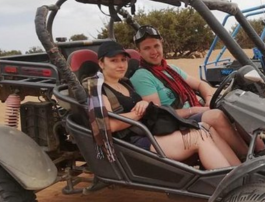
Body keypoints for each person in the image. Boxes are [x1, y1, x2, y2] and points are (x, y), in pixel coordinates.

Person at [90, 40, 240, 170]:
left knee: (207, 128)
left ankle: (241, 173)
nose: (121, 65)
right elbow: (110, 125)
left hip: (149, 130)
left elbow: (141, 105)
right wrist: (138, 113)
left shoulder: (125, 83)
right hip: (133, 141)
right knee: (198, 137)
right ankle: (231, 184)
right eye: (114, 61)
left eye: (123, 60)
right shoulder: (100, 91)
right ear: (101, 63)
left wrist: (142, 103)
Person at [129, 25, 253, 158]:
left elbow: (200, 84)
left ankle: (260, 149)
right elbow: (159, 114)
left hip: (193, 111)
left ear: (162, 45)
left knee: (235, 107)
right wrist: (193, 110)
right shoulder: (141, 76)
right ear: (140, 52)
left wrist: (209, 98)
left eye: (156, 46)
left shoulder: (170, 69)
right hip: (175, 121)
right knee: (216, 116)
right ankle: (246, 156)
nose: (154, 51)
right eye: (147, 48)